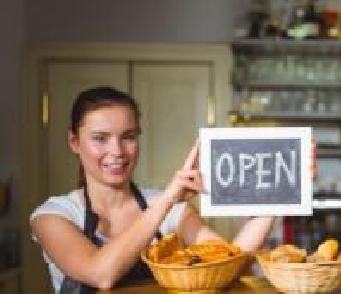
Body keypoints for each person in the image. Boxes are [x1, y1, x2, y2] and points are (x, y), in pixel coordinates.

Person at [30, 86, 275, 293]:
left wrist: (280, 192)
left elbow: (230, 263)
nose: (117, 151)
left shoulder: (169, 208)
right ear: (74, 142)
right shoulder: (53, 216)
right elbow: (100, 274)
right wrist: (168, 199)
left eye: (128, 136)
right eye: (100, 138)